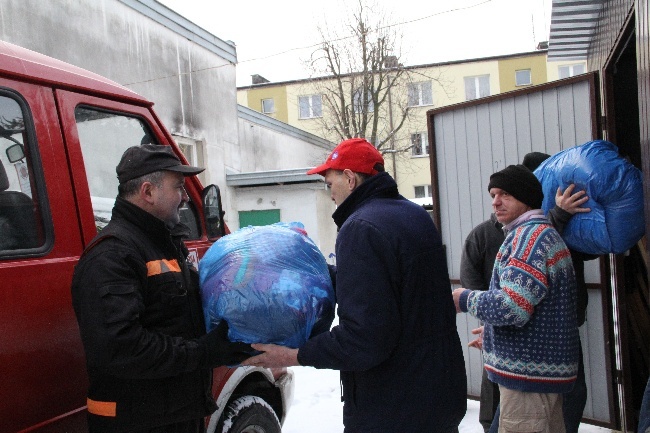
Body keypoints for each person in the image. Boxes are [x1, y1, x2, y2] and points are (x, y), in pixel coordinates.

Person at [241, 138, 467, 432]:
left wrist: (294, 354)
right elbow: (393, 287)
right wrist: (313, 272)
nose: (330, 193)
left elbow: (365, 341)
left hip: (393, 408)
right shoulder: (414, 216)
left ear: (349, 178)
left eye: (330, 183)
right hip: (437, 395)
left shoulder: (360, 228)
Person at [71, 144, 253, 433]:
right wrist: (203, 352)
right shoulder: (112, 256)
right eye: (178, 187)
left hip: (172, 416)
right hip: (135, 423)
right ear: (148, 192)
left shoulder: (163, 244)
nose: (184, 197)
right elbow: (121, 349)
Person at [462, 153, 591, 433]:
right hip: (536, 376)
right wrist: (494, 334)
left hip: (530, 381)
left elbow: (512, 306)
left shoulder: (529, 239)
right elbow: (534, 307)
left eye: (505, 194)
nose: (495, 201)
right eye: (493, 194)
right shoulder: (534, 234)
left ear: (526, 198)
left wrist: (462, 298)